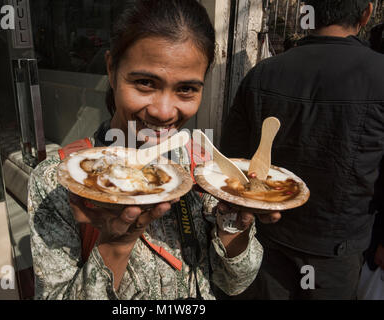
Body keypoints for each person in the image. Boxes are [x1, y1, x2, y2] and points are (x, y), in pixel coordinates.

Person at [28, 0, 280, 300]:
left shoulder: (202, 165)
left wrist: (235, 222)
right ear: (111, 69)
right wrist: (116, 244)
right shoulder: (59, 181)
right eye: (145, 83)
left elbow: (233, 282)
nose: (163, 111)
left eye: (186, 89)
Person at [220, 0, 384, 299]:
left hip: (267, 240)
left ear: (308, 13)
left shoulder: (263, 72)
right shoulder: (379, 75)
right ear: (366, 13)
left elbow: (231, 161)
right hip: (335, 251)